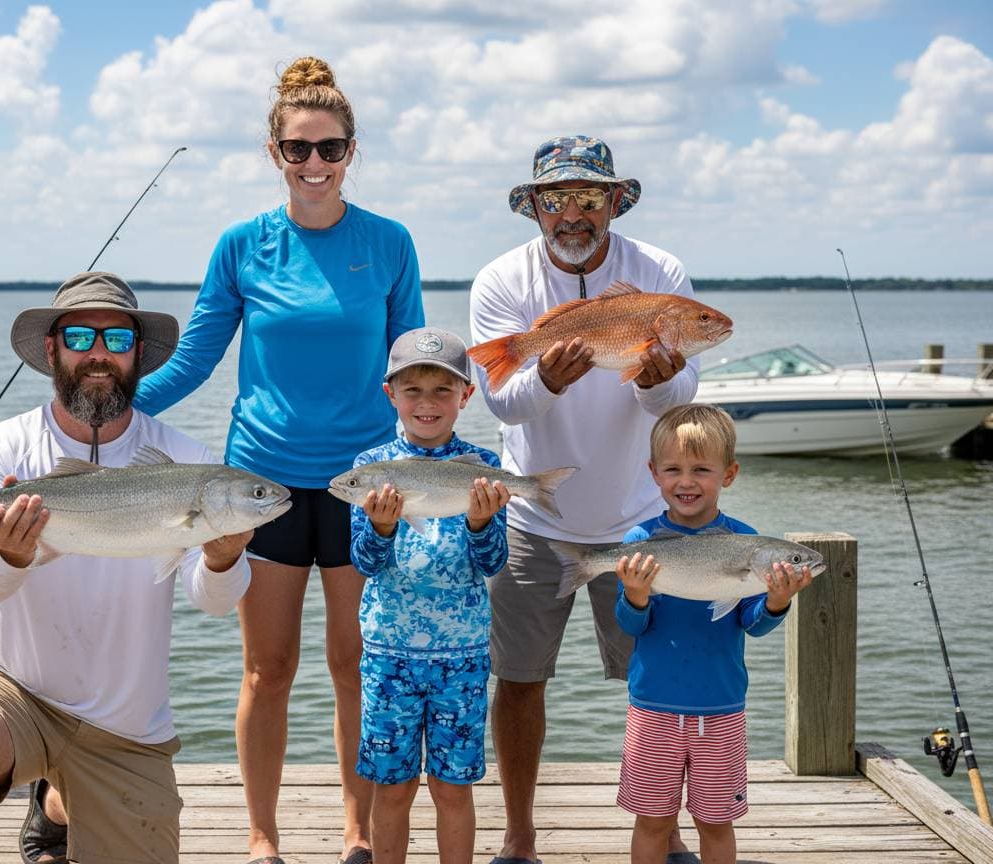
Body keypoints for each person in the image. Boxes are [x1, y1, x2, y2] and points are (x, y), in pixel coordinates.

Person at [132, 57, 424, 864]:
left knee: (353, 662)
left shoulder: (390, 243)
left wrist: (442, 457)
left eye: (331, 149)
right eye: (299, 150)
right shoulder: (242, 246)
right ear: (275, 154)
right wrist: (99, 417)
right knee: (269, 666)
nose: (316, 165)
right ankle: (261, 835)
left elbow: (413, 369)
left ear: (352, 151)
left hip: (365, 486)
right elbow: (192, 360)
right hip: (260, 482)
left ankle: (358, 830)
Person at [0, 272, 253, 864]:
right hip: (12, 688)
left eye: (117, 341)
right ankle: (49, 788)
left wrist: (225, 556)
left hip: (126, 721)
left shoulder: (189, 459)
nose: (99, 354)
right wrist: (11, 553)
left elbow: (215, 601)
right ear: (53, 350)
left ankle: (56, 801)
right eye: (80, 336)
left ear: (139, 355)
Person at [468, 135, 700, 864]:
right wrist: (550, 378)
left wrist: (654, 375)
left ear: (614, 204)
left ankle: (663, 829)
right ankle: (518, 834)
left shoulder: (659, 274)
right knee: (518, 680)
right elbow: (502, 404)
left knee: (660, 683)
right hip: (533, 518)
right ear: (534, 207)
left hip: (638, 518)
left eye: (590, 198)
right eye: (557, 199)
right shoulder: (500, 280)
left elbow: (679, 400)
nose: (574, 214)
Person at [614, 403, 814, 864]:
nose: (687, 482)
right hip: (652, 708)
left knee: (716, 821)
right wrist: (637, 595)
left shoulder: (747, 539)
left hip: (721, 710)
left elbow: (753, 624)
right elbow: (631, 626)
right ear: (654, 474)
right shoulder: (638, 541)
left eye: (702, 469)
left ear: (729, 474)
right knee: (651, 821)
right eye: (674, 470)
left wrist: (779, 599)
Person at [348, 327, 510, 864]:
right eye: (412, 390)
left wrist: (483, 521)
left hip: (461, 659)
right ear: (389, 393)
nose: (427, 403)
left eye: (443, 391)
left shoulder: (481, 465)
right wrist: (383, 527)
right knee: (392, 789)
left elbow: (493, 563)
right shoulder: (370, 469)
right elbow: (364, 563)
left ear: (465, 397)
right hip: (389, 658)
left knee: (452, 789)